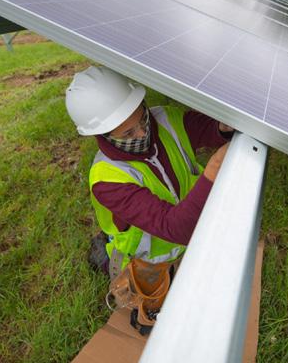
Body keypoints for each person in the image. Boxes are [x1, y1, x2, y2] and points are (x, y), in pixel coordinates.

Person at [65, 66, 233, 279]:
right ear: (103, 135)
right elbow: (175, 228)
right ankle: (105, 258)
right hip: (148, 262)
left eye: (142, 117)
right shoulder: (107, 180)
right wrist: (214, 169)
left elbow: (205, 128)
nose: (143, 132)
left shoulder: (165, 119)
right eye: (128, 133)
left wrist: (221, 127)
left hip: (193, 234)